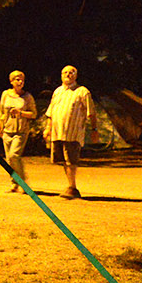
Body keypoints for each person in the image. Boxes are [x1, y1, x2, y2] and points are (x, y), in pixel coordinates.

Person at [42, 64, 97, 199]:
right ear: (61, 76)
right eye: (65, 72)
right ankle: (70, 186)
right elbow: (51, 112)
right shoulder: (57, 91)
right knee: (62, 160)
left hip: (73, 133)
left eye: (71, 72)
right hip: (57, 132)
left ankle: (72, 187)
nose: (68, 74)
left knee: (71, 160)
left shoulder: (82, 91)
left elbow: (91, 112)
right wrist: (48, 128)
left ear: (76, 76)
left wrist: (94, 129)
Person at [0, 69, 37, 192]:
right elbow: (1, 113)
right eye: (17, 79)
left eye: (22, 80)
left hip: (21, 131)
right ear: (11, 81)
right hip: (7, 130)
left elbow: (33, 114)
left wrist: (21, 113)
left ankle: (23, 183)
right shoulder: (5, 94)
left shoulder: (27, 97)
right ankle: (14, 183)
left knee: (14, 155)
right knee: (9, 159)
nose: (20, 82)